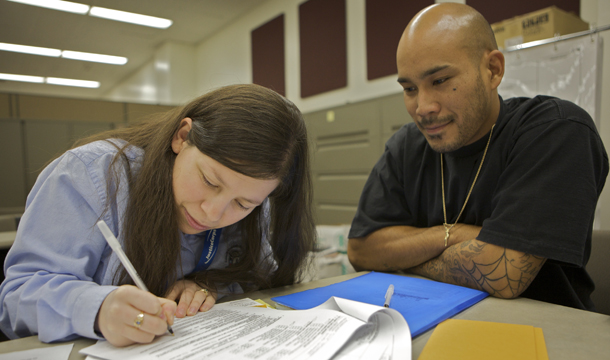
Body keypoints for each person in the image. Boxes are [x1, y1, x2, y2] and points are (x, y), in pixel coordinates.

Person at [0, 84, 315, 345]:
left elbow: (263, 281)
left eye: (244, 204)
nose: (213, 213)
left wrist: (212, 285)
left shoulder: (254, 201)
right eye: (209, 181)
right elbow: (17, 297)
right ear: (182, 137)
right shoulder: (90, 175)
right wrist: (97, 309)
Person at [348, 3, 608, 311]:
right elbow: (361, 250)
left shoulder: (557, 129)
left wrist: (402, 260)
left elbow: (503, 274)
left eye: (440, 80)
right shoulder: (404, 147)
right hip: (432, 322)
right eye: (409, 88)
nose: (423, 106)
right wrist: (450, 235)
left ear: (493, 70)